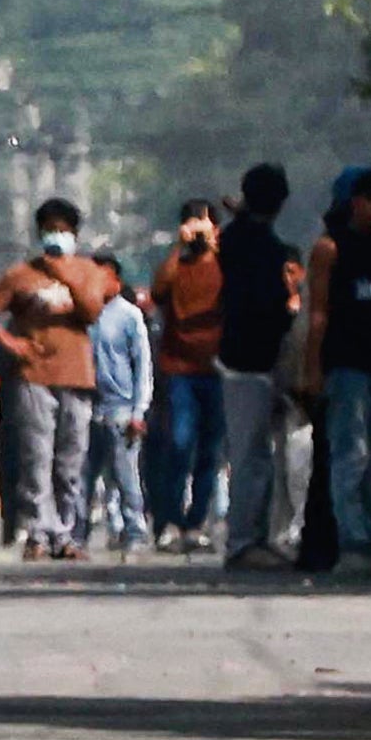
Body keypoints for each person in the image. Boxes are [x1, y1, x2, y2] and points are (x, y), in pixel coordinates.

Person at [0, 197, 113, 559]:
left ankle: (66, 533)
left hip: (77, 375)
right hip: (34, 376)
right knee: (37, 457)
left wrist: (64, 273)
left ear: (75, 234)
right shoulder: (21, 274)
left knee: (71, 460)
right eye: (50, 229)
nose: (56, 235)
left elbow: (92, 311)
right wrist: (10, 342)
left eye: (63, 230)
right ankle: (37, 531)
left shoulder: (87, 271)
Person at [303, 166, 371, 578]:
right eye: (369, 198)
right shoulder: (330, 249)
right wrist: (313, 369)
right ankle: (352, 543)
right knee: (352, 456)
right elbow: (318, 313)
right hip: (346, 366)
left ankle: (367, 535)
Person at [217, 163, 309, 569]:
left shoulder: (239, 238)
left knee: (259, 456)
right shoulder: (262, 246)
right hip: (249, 360)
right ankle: (243, 542)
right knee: (252, 456)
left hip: (247, 357)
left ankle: (256, 536)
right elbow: (267, 303)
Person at [146, 201, 226, 551]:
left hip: (219, 369)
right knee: (179, 444)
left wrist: (214, 246)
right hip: (179, 369)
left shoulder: (225, 263)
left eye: (203, 224)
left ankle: (197, 522)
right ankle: (170, 521)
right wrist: (180, 248)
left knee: (210, 450)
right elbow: (158, 291)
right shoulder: (177, 265)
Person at [85, 255, 153, 554]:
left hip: (122, 407)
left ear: (116, 279)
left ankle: (134, 528)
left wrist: (139, 411)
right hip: (89, 406)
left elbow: (143, 366)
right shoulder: (85, 314)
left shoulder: (129, 316)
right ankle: (88, 531)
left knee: (125, 474)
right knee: (86, 476)